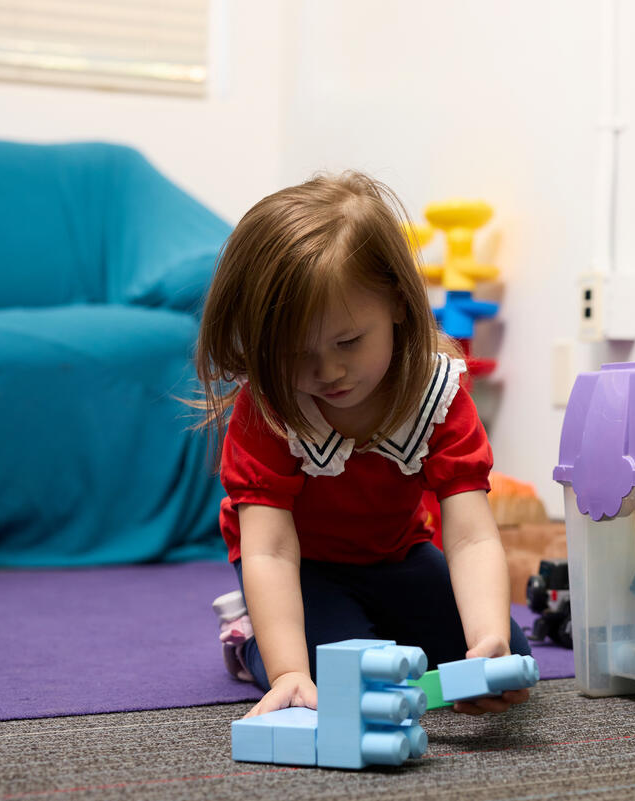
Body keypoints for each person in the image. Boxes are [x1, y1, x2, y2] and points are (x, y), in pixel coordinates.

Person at [193, 171, 531, 718]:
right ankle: (249, 635)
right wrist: (289, 673)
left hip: (396, 554)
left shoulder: (437, 393)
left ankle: (379, 630)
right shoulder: (271, 409)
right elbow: (269, 550)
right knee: (345, 679)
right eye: (295, 354)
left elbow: (469, 537)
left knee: (509, 656)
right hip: (303, 565)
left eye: (348, 341)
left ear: (399, 303)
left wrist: (486, 643)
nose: (328, 371)